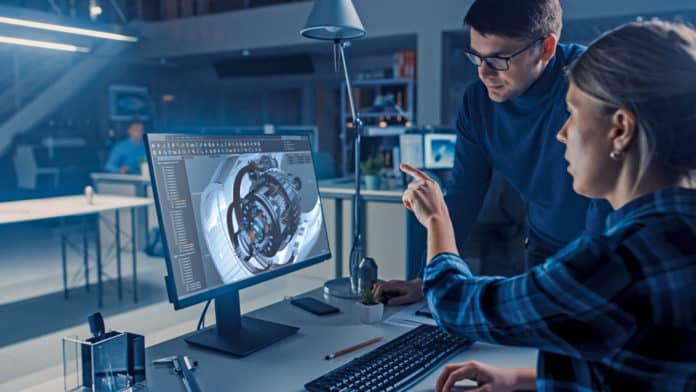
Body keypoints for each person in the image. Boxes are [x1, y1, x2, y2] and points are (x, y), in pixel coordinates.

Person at [402, 20, 696, 391]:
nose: (562, 133)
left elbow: (453, 303)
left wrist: (436, 219)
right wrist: (523, 380)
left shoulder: (614, 265)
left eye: (573, 112)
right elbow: (633, 365)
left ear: (620, 129)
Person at [376, 0, 612, 306]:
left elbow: (608, 196)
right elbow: (463, 193)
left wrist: (595, 277)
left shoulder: (590, 84)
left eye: (499, 59)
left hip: (604, 246)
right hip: (543, 246)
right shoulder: (477, 103)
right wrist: (426, 279)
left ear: (546, 48)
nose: (485, 73)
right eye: (476, 57)